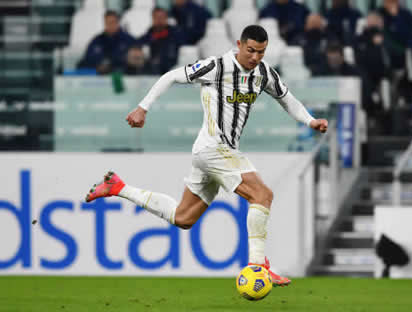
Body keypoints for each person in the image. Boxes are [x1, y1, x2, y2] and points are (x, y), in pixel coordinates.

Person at [85, 25, 328, 286]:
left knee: (183, 217)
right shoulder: (217, 67)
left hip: (217, 152)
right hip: (214, 148)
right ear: (239, 44)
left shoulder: (263, 72)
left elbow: (286, 98)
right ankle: (258, 267)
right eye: (251, 50)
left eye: (261, 52)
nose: (256, 57)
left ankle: (118, 187)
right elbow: (171, 76)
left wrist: (309, 121)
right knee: (263, 195)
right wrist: (143, 108)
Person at [138, 7, 185, 74]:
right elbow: (138, 44)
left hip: (172, 69)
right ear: (153, 19)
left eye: (162, 17)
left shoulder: (176, 34)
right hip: (152, 71)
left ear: (166, 18)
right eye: (156, 17)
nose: (159, 20)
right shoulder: (149, 35)